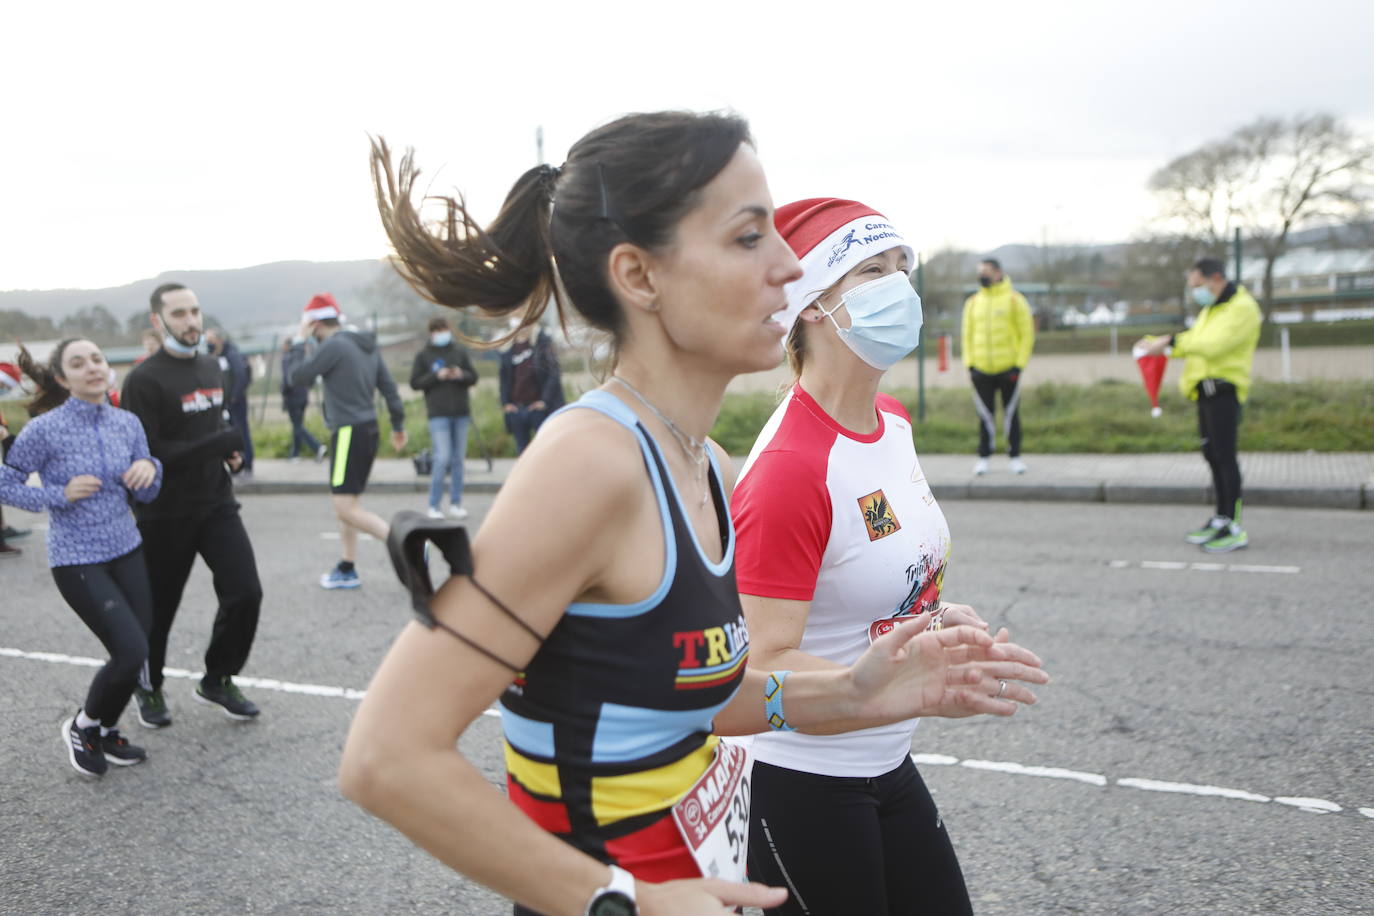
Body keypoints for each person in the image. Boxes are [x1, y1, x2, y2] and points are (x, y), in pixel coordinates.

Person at [339, 111, 1048, 916]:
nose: (788, 266)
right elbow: (386, 758)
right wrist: (622, 900)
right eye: (750, 238)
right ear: (640, 277)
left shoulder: (706, 464)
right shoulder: (590, 464)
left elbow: (697, 697)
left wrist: (858, 688)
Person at [733, 198, 999, 915]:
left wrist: (934, 624)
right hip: (799, 781)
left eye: (902, 268)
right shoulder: (791, 467)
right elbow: (756, 665)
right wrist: (903, 678)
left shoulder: (895, 424)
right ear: (813, 303)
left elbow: (877, 583)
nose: (900, 286)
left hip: (886, 760)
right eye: (872, 271)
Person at [0, 340, 162, 776]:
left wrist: (150, 470)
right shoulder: (44, 430)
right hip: (78, 558)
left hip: (126, 548)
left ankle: (107, 732)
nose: (91, 367)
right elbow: (5, 482)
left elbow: (147, 489)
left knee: (137, 650)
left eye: (97, 359)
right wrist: (59, 493)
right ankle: (83, 725)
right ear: (61, 378)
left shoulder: (127, 423)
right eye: (78, 363)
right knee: (129, 651)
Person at [121, 283, 264, 728]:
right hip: (163, 512)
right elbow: (147, 453)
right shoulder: (143, 380)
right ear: (157, 321)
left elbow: (209, 425)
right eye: (179, 313)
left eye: (195, 311)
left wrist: (228, 453)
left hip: (216, 502)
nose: (191, 321)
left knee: (245, 592)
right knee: (158, 609)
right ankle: (149, 685)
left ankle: (218, 679)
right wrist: (217, 442)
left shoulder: (210, 366)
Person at [1135, 257, 1261, 553]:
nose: (1195, 291)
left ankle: (1234, 526)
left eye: (1197, 284)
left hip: (1224, 391)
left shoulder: (1241, 308)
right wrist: (1156, 342)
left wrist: (1168, 342)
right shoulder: (1212, 309)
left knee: (1226, 458)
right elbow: (1195, 338)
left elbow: (1212, 345)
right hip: (1204, 393)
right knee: (1213, 456)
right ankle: (1220, 517)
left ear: (1214, 278)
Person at [287, 293, 408, 589]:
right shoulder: (364, 345)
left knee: (344, 506)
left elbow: (297, 377)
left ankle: (407, 545)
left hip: (347, 433)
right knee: (348, 502)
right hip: (368, 428)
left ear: (314, 324)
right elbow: (389, 388)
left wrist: (298, 343)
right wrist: (397, 425)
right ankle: (347, 566)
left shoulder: (333, 346)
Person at [961, 258, 1034, 476]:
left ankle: (1015, 457)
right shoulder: (973, 302)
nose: (981, 275)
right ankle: (984, 457)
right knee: (985, 415)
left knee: (1011, 414)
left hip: (1008, 369)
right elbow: (967, 336)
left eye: (985, 271)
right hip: (980, 370)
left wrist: (1018, 366)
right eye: (979, 271)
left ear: (998, 272)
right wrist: (970, 364)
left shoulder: (1015, 300)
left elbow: (1026, 335)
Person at [410, 316, 478, 519]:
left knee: (458, 460)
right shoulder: (424, 355)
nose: (442, 333)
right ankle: (434, 504)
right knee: (442, 457)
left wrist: (460, 375)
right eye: (438, 330)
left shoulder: (459, 351)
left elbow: (473, 376)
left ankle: (456, 503)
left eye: (444, 329)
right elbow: (415, 382)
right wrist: (435, 377)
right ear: (432, 333)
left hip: (460, 411)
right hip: (437, 413)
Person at [499, 321, 564, 454]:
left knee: (546, 449)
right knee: (522, 451)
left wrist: (544, 401)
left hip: (538, 408)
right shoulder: (508, 350)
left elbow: (553, 373)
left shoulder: (541, 344)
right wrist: (505, 403)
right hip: (517, 409)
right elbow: (504, 379)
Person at [206, 328, 254, 476]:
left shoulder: (232, 354)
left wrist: (234, 396)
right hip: (224, 402)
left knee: (241, 431)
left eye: (211, 340)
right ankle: (235, 462)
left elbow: (240, 375)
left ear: (219, 340)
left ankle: (247, 462)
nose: (208, 343)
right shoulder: (214, 356)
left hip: (236, 401)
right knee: (230, 432)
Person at [279, 338, 326, 462]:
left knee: (297, 426)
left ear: (288, 346)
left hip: (292, 397)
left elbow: (286, 379)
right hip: (303, 396)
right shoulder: (304, 359)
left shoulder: (287, 358)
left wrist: (284, 392)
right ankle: (295, 453)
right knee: (298, 425)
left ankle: (317, 447)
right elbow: (311, 377)